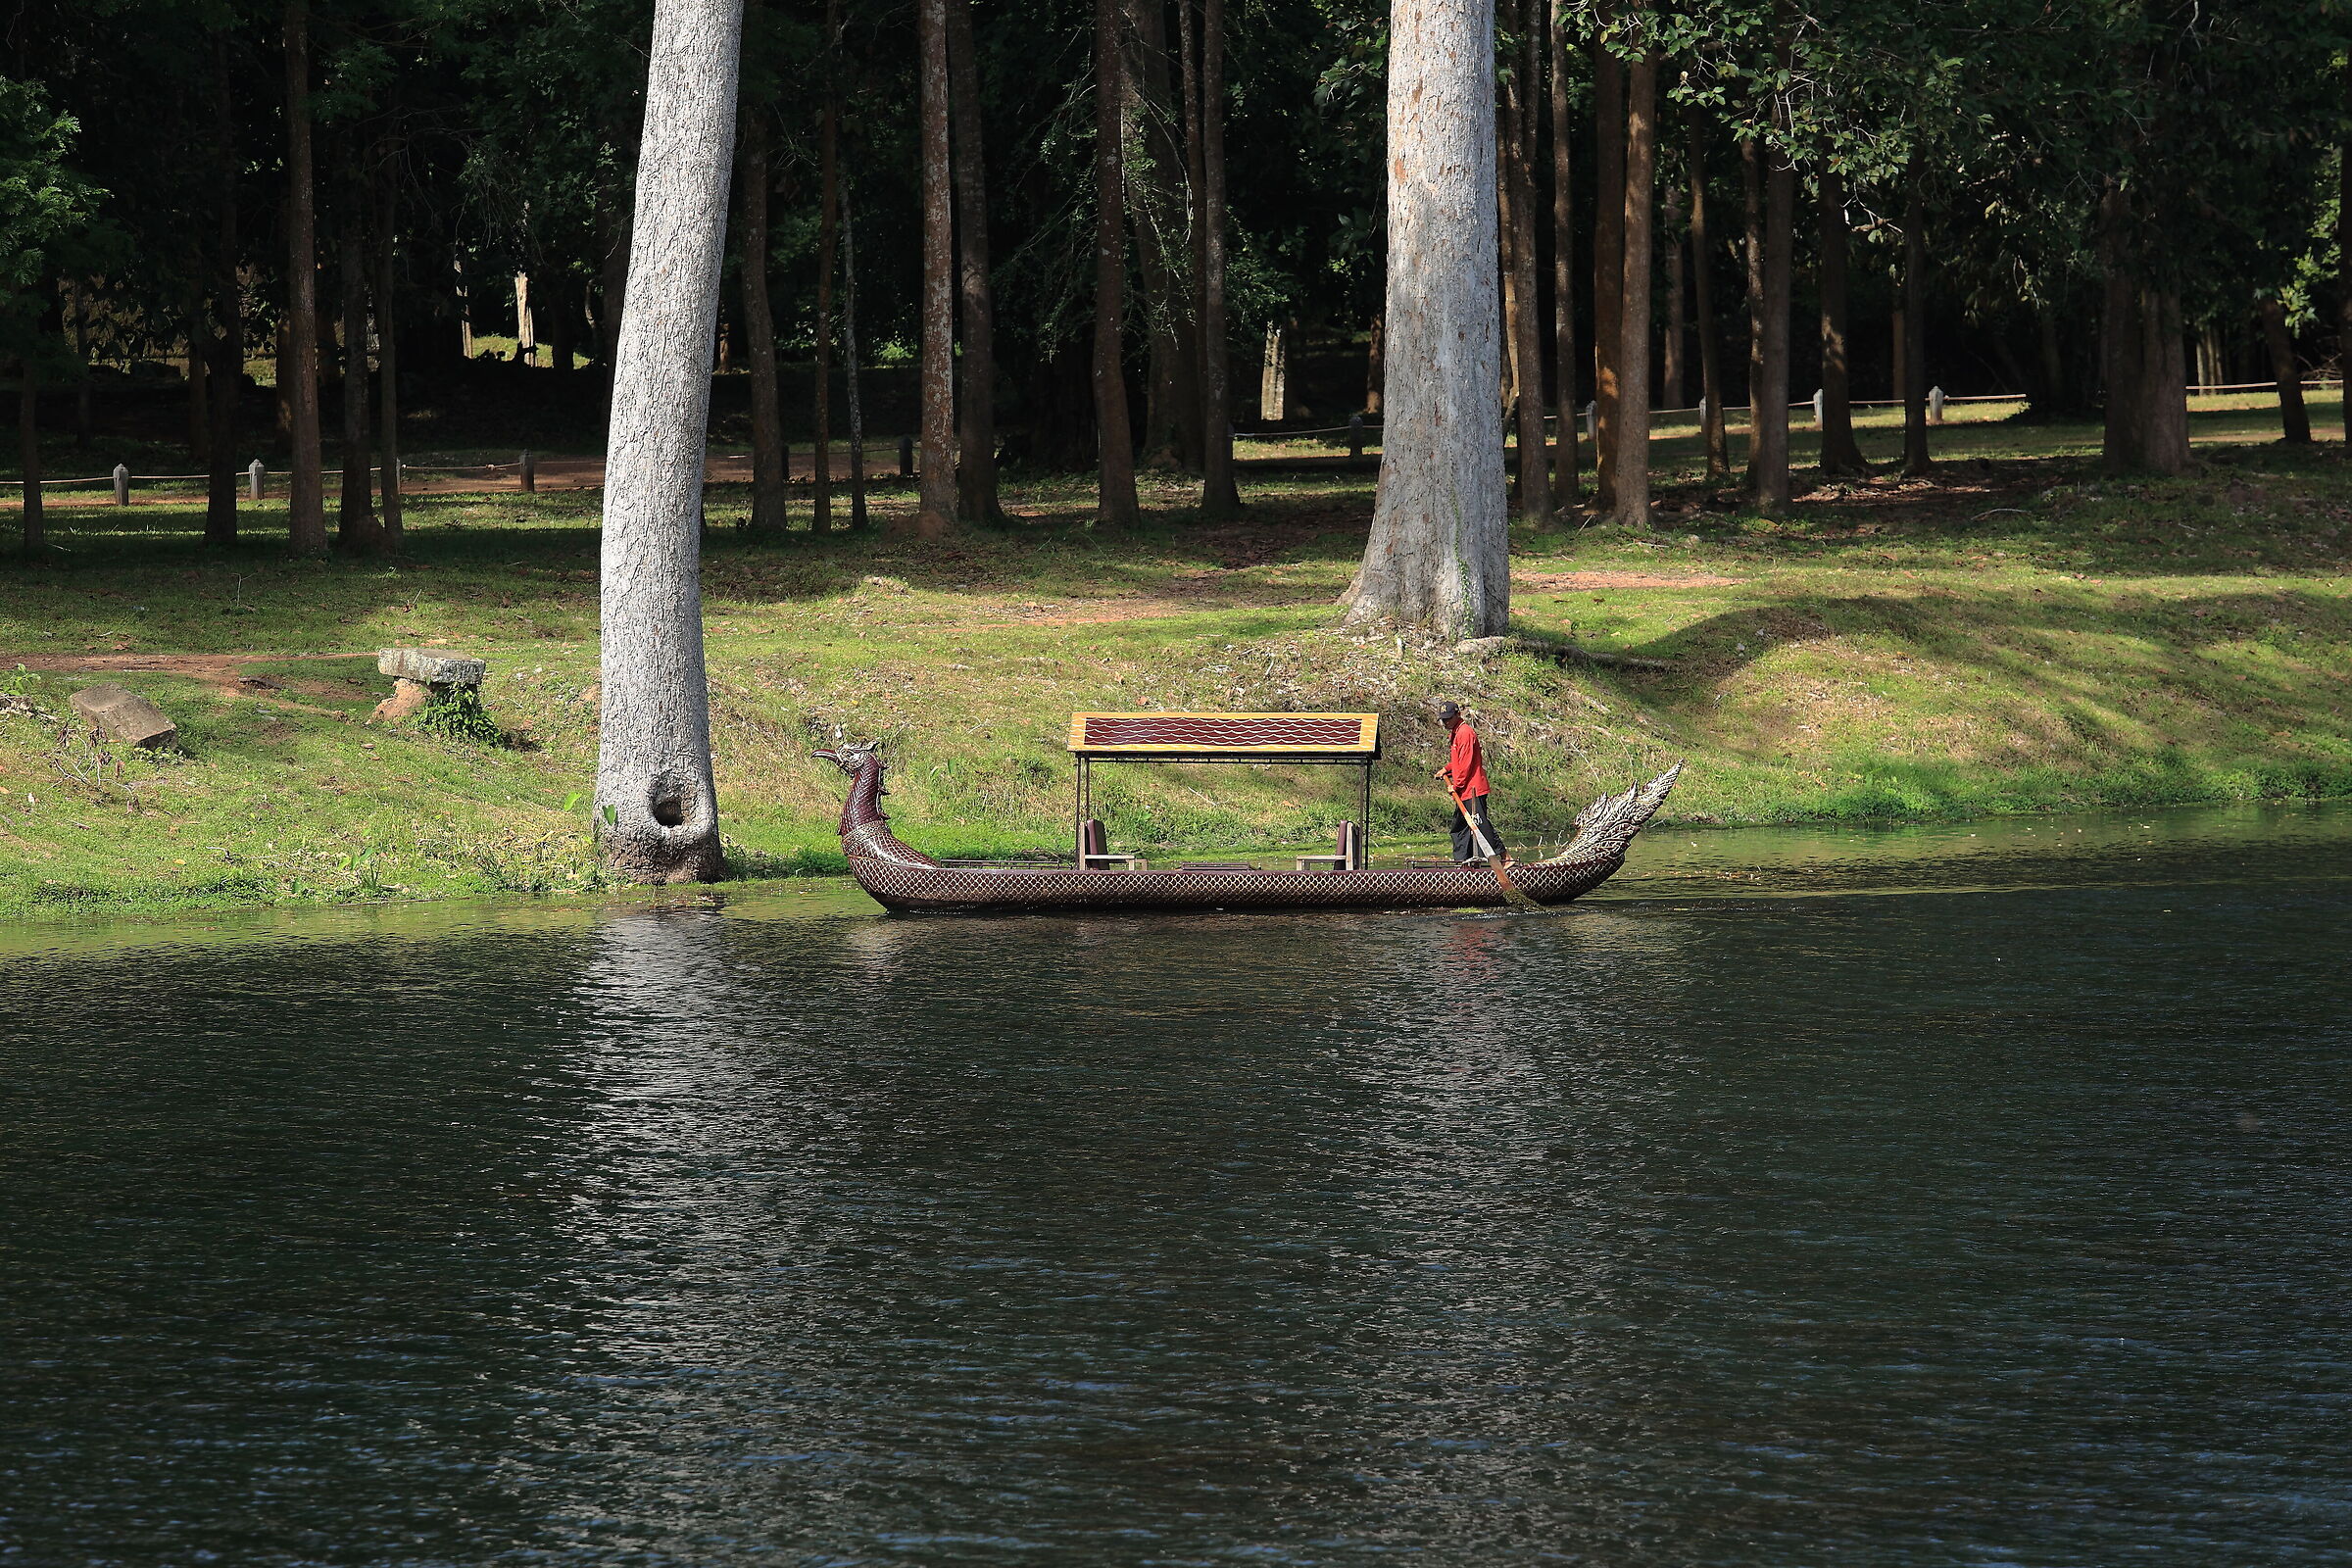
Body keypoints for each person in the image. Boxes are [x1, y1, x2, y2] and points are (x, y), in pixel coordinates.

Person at [1435, 701, 1506, 864]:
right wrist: (1447, 769)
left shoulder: (1465, 733)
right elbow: (1458, 761)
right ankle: (1464, 864)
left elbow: (1466, 764)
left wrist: (1456, 786)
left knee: (1480, 826)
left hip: (1473, 789)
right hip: (1464, 791)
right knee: (1460, 829)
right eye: (1443, 720)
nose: (1446, 722)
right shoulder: (1455, 733)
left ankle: (1505, 857)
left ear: (1458, 715)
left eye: (1449, 719)